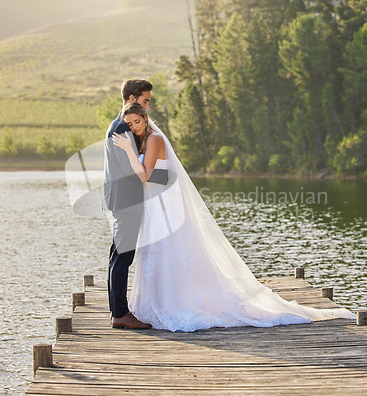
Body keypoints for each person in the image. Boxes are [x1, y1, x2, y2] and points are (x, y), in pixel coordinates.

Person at [112, 107, 356, 333]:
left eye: (137, 121)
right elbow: (159, 175)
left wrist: (128, 151)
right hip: (156, 206)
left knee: (170, 254)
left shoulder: (153, 139)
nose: (134, 127)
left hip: (164, 208)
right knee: (158, 256)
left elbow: (145, 176)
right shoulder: (142, 140)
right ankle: (157, 304)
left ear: (146, 119)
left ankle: (178, 304)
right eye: (130, 124)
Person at [103, 79, 153, 329]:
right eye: (145, 100)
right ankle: (121, 314)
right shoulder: (123, 128)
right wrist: (162, 177)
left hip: (120, 197)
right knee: (123, 257)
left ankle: (117, 310)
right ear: (132, 99)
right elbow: (133, 171)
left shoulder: (119, 123)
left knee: (117, 255)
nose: (147, 106)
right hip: (127, 199)